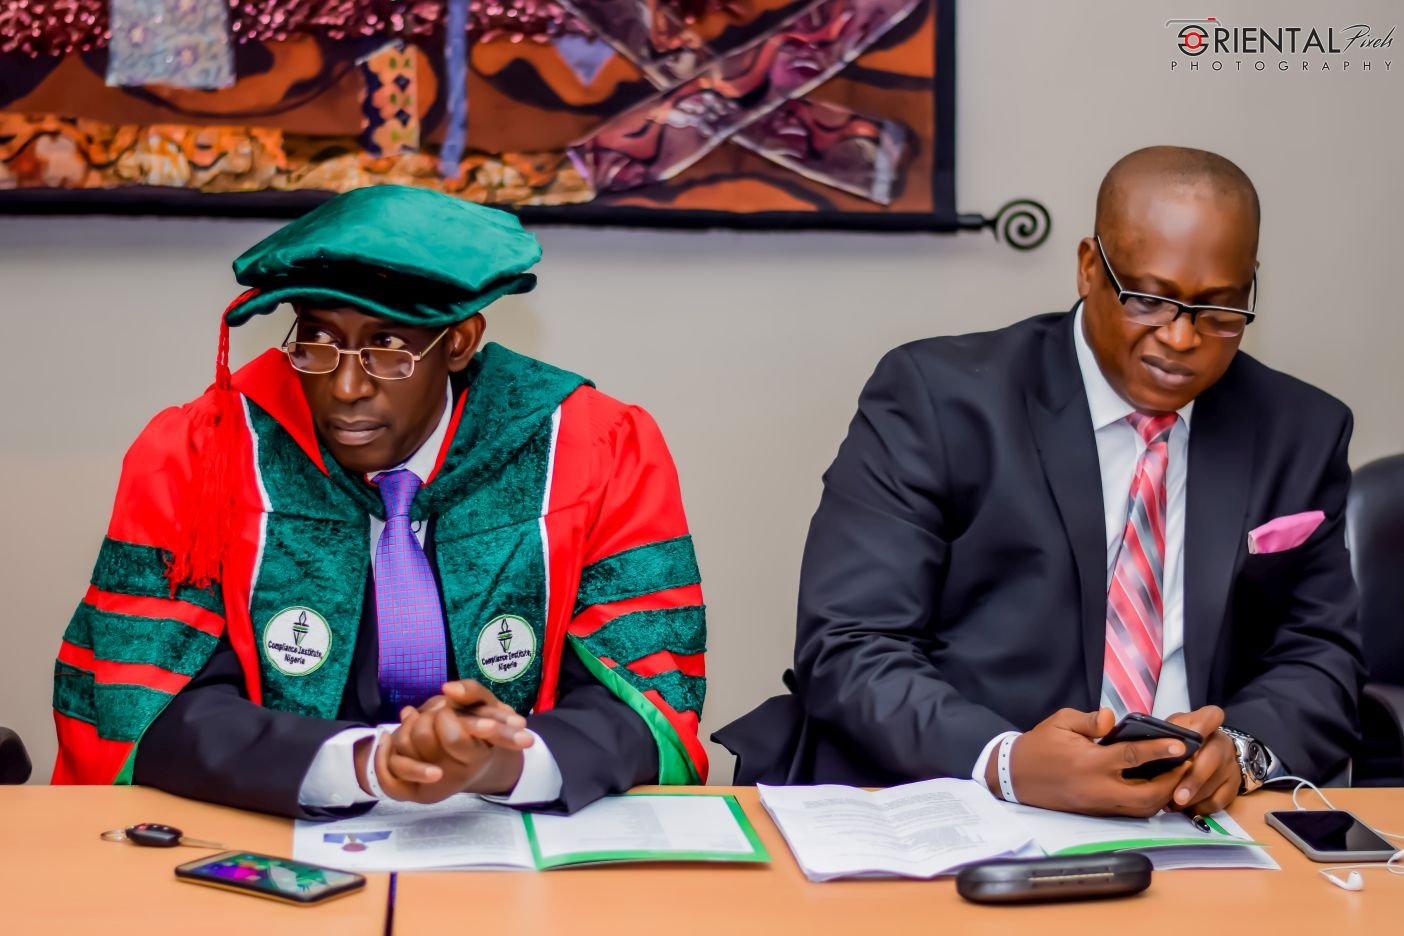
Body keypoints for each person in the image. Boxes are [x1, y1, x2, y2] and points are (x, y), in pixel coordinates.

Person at [717, 146, 1362, 818]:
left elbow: (1320, 654)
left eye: (1219, 310)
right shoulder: (939, 399)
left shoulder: (1299, 429)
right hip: (956, 799)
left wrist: (1241, 749)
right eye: (1149, 299)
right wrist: (1005, 761)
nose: (1181, 337)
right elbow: (850, 644)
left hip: (1192, 818)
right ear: (1089, 267)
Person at [52, 185, 708, 818]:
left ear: (459, 341)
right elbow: (149, 704)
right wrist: (361, 763)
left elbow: (642, 698)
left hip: (514, 841)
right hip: (271, 831)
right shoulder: (208, 450)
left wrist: (501, 761)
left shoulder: (589, 447)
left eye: (387, 346)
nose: (345, 386)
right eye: (318, 340)